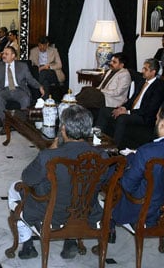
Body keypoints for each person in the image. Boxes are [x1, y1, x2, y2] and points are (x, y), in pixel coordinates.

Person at [8, 105, 109, 260]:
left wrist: (50, 149)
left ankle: (27, 243)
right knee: (77, 191)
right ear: (89, 129)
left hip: (51, 217)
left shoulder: (49, 156)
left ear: (63, 129)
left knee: (15, 187)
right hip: (86, 214)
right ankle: (71, 240)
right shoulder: (102, 156)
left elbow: (27, 179)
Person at [96, 59, 164, 147]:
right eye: (143, 68)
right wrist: (123, 107)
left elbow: (149, 110)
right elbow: (132, 100)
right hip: (131, 111)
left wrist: (127, 112)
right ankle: (97, 140)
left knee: (122, 118)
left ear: (153, 72)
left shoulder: (158, 88)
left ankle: (114, 148)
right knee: (104, 110)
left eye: (145, 69)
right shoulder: (141, 82)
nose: (142, 71)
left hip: (143, 117)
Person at [0, 46, 44, 134]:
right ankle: (6, 124)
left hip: (19, 90)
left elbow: (30, 79)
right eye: (3, 53)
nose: (3, 55)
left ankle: (21, 124)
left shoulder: (23, 66)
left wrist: (39, 86)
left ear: (13, 56)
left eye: (6, 54)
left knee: (26, 99)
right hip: (4, 90)